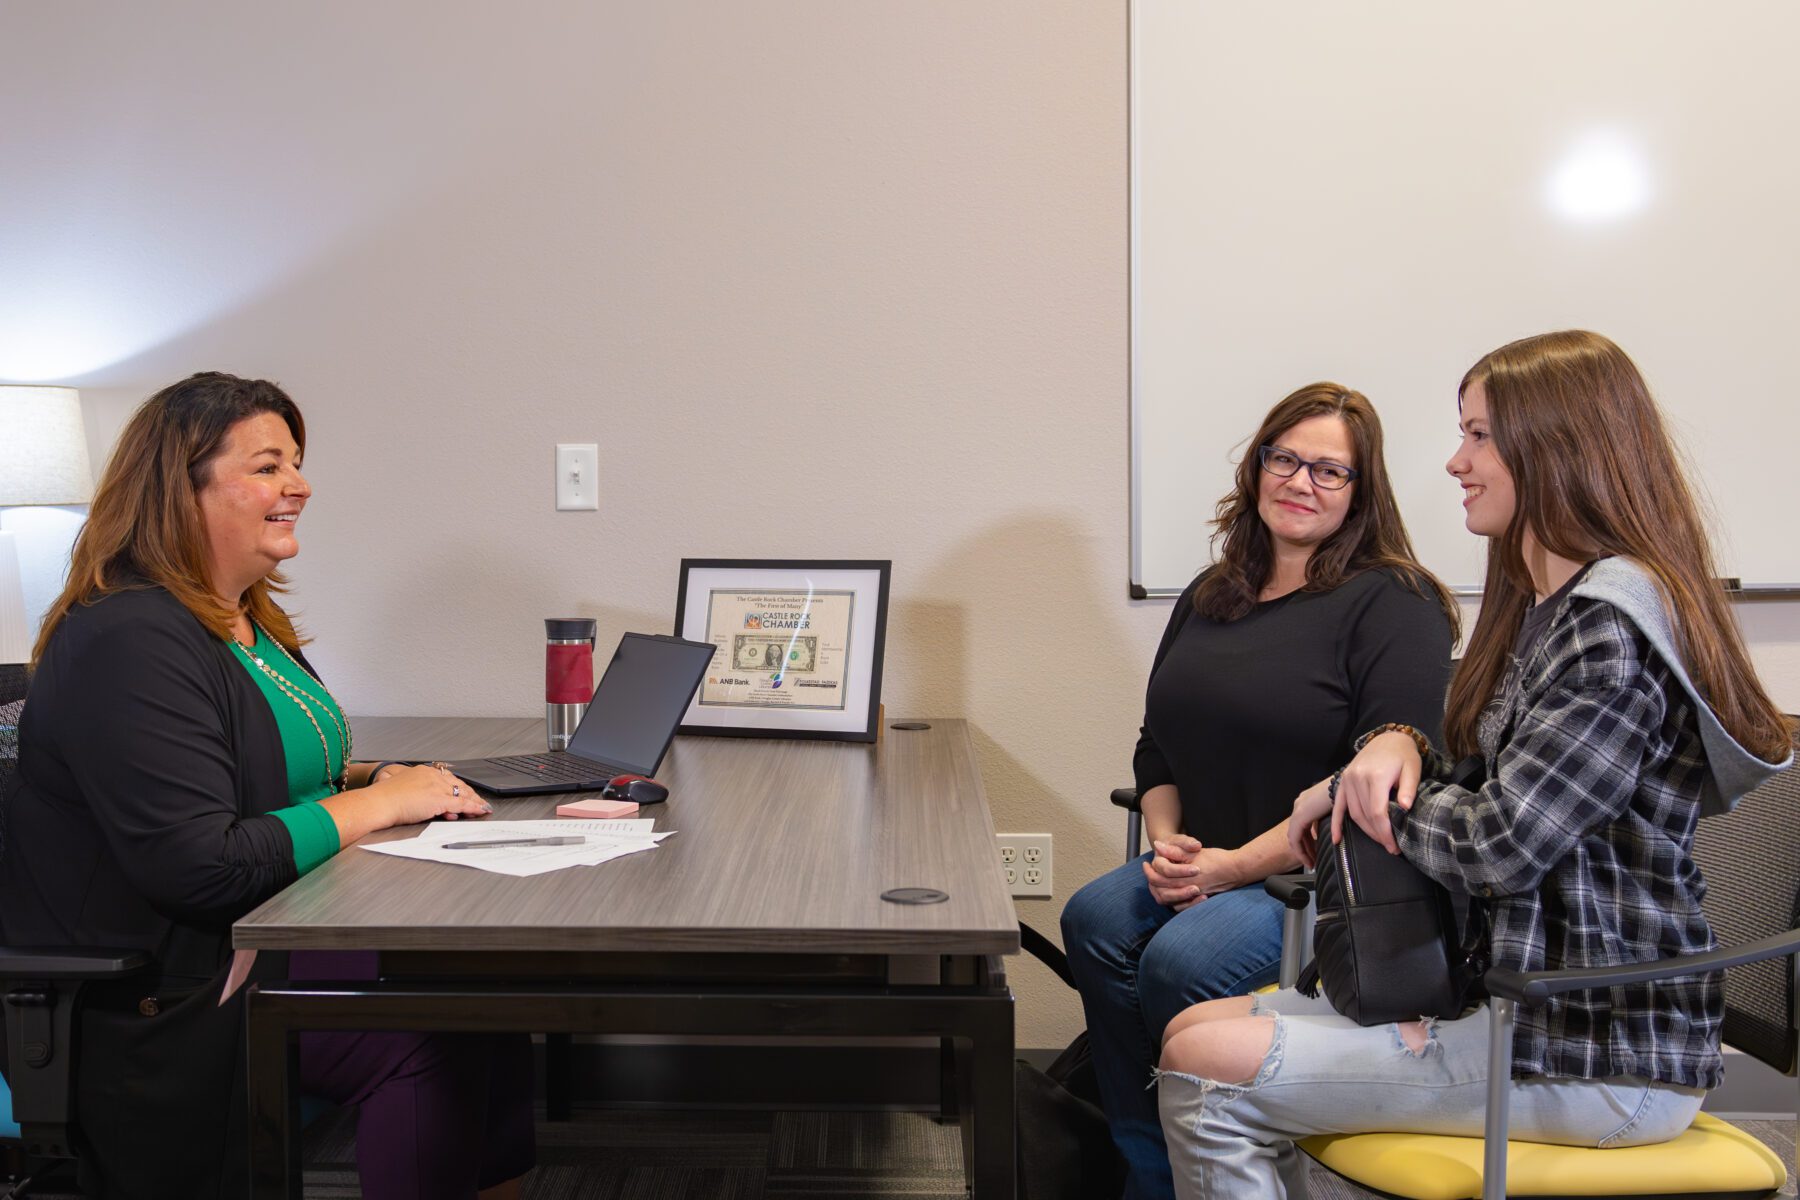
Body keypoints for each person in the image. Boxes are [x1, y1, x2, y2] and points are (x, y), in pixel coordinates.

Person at [1156, 331, 1793, 1199]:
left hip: (1591, 1046)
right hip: (1519, 1005)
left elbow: (1502, 841)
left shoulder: (1609, 629)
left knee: (1203, 1067)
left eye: (1479, 435)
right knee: (1192, 1027)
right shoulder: (1547, 609)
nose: (1456, 461)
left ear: (1557, 446)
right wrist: (1390, 756)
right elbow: (1481, 773)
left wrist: (1360, 793)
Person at [0, 373, 536, 1199]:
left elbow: (261, 767)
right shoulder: (127, 637)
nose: (300, 485)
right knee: (427, 1040)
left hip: (272, 936)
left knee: (487, 997)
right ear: (181, 489)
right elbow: (200, 863)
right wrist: (382, 804)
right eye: (267, 466)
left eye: (296, 462)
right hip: (162, 996)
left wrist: (379, 777)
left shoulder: (239, 617)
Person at [1061, 382, 1458, 1199]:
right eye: (1285, 458)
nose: (1300, 481)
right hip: (1203, 857)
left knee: (1181, 959)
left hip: (1321, 882)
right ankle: (1151, 1169)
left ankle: (1219, 1155)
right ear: (1258, 467)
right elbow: (1155, 746)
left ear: (1362, 491)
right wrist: (1172, 842)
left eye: (1329, 470)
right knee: (1093, 917)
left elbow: (1379, 789)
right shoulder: (1215, 593)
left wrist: (1231, 867)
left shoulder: (1396, 601)